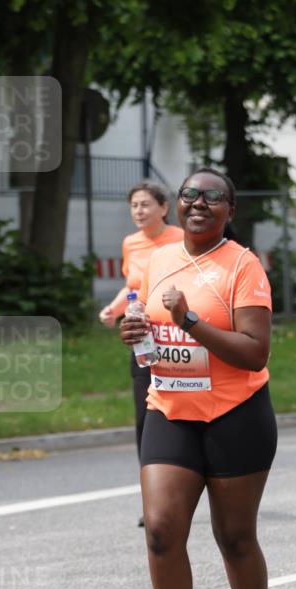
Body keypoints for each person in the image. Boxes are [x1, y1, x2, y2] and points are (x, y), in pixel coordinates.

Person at [120, 168, 277, 589]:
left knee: (234, 537)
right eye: (190, 195)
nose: (199, 203)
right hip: (169, 408)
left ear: (230, 210)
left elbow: (255, 353)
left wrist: (190, 323)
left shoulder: (243, 266)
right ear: (178, 205)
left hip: (236, 413)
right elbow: (146, 324)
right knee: (162, 529)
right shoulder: (159, 260)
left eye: (214, 197)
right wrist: (134, 330)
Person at [99, 181, 183, 461]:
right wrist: (113, 309)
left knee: (180, 404)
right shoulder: (130, 243)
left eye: (145, 204)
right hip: (142, 335)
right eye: (134, 205)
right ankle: (150, 471)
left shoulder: (181, 239)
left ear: (164, 207)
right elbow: (133, 286)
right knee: (144, 409)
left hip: (177, 334)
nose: (139, 211)